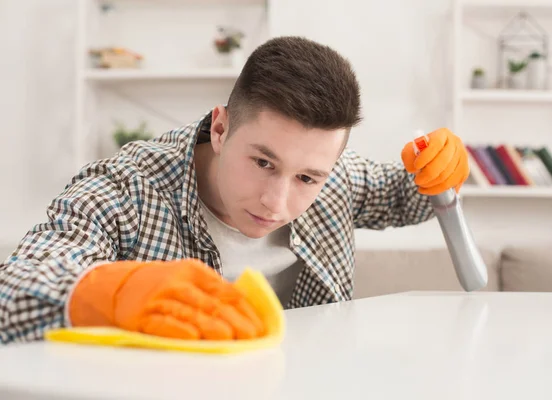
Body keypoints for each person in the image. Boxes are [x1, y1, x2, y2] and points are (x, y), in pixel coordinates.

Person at [0, 36, 469, 344]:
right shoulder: (125, 189)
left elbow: (411, 195)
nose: (277, 202)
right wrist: (108, 292)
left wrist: (443, 167)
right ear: (221, 128)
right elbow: (11, 290)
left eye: (306, 178)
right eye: (263, 162)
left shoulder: (335, 180)